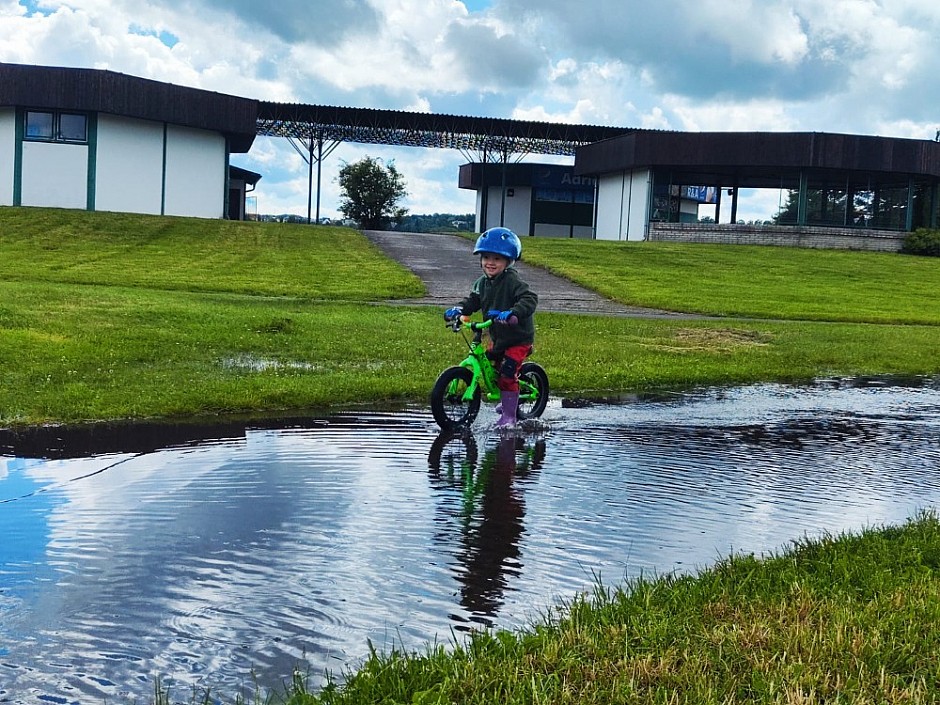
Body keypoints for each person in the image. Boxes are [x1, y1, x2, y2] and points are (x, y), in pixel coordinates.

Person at [444, 227, 538, 427]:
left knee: (507, 373)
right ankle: (507, 399)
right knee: (489, 364)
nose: (490, 262)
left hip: (518, 338)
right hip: (498, 336)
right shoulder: (482, 283)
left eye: (497, 258)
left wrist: (513, 313)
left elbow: (529, 298)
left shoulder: (512, 281)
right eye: (486, 257)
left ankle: (509, 417)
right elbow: (472, 301)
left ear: (508, 261)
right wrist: (459, 310)